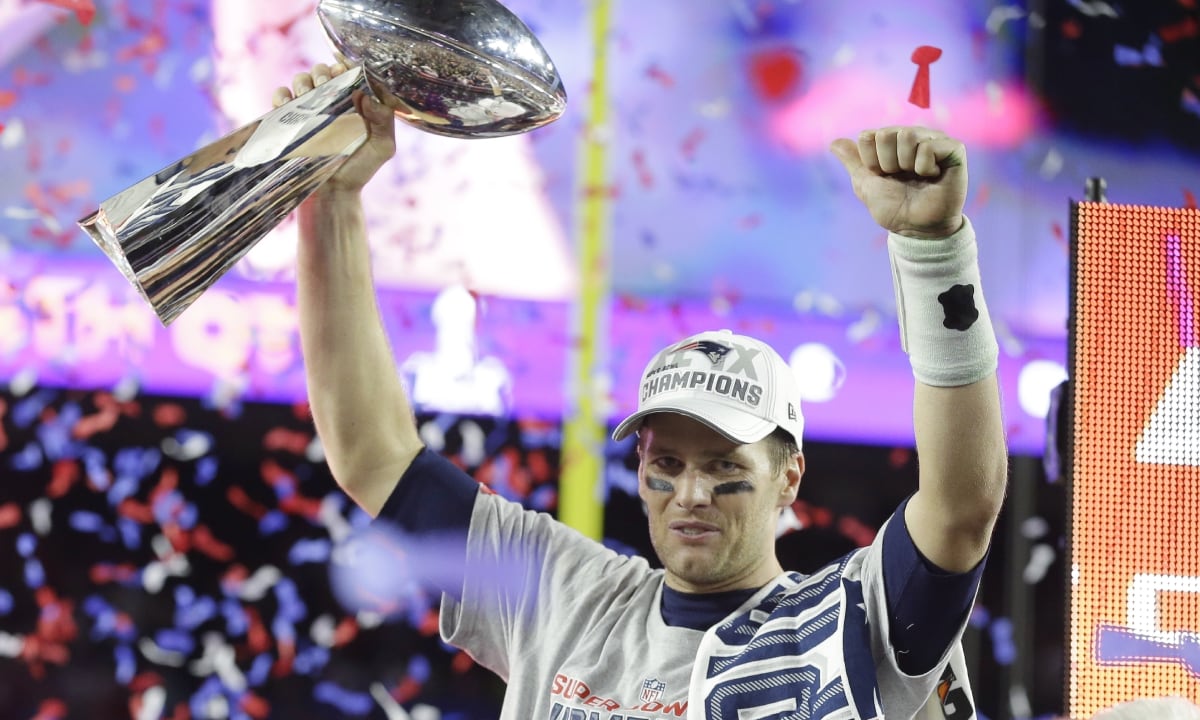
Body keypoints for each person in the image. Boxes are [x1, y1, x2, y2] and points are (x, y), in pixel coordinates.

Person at [278, 59, 1008, 720]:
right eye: (668, 465)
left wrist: (934, 252)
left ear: (789, 479)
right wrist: (331, 200)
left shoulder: (851, 620)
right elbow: (375, 457)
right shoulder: (564, 597)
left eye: (726, 467)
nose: (690, 493)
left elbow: (962, 507)